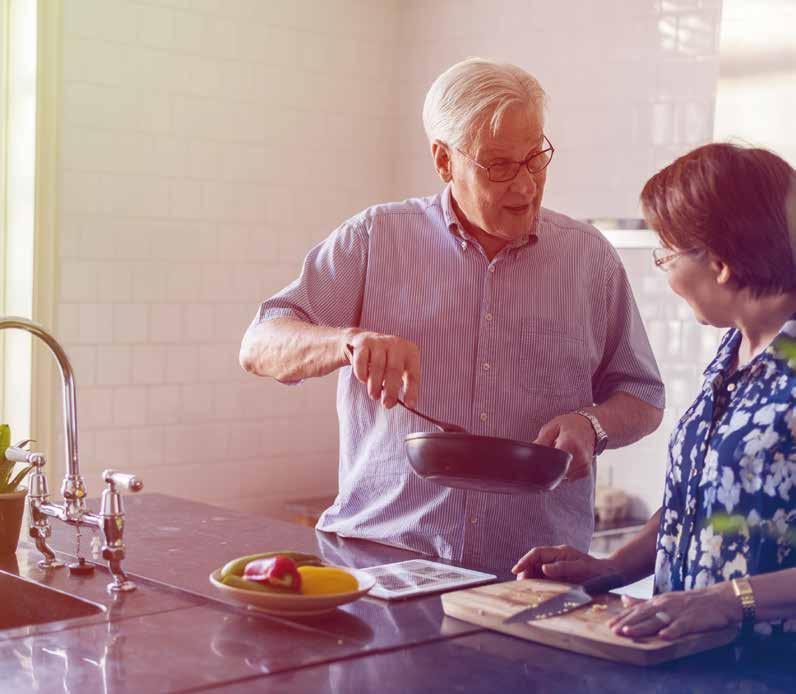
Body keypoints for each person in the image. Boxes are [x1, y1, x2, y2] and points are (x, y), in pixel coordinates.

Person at [239, 58, 664, 570]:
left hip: (533, 576)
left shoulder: (589, 258)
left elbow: (642, 395)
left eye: (535, 158)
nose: (526, 186)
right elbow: (259, 344)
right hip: (383, 565)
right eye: (500, 166)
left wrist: (592, 424)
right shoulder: (375, 238)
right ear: (444, 161)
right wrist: (345, 343)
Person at [513, 142, 796, 638]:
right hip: (689, 662)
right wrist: (614, 567)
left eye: (665, 255)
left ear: (721, 262)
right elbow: (705, 499)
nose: (664, 274)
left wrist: (732, 601)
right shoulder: (734, 352)